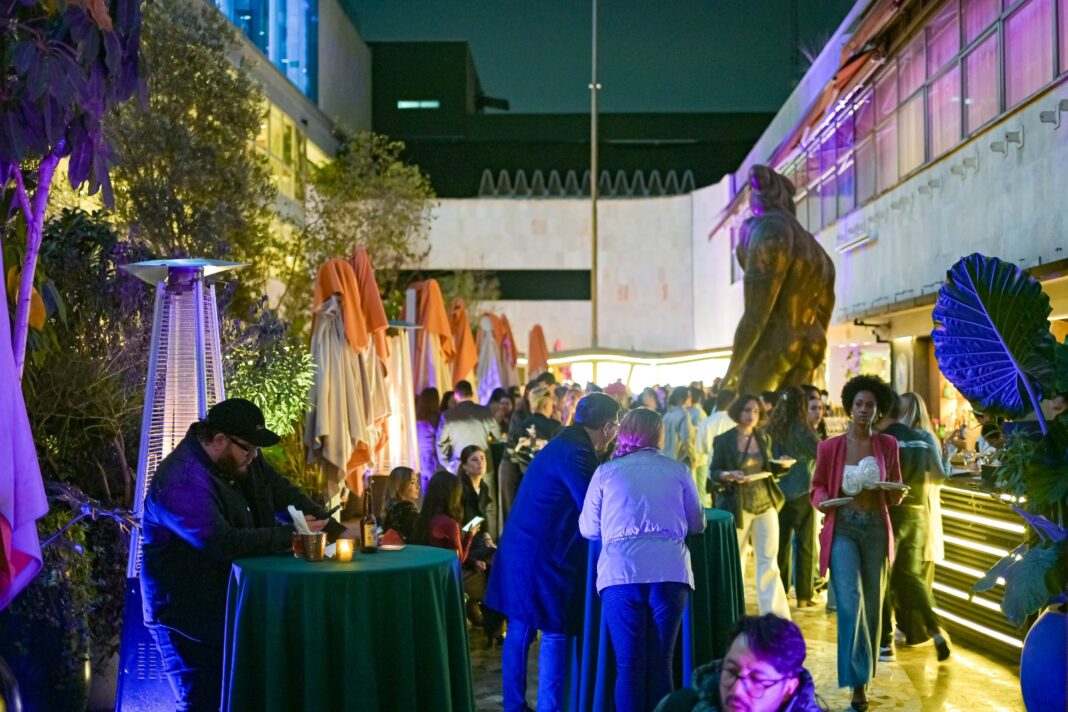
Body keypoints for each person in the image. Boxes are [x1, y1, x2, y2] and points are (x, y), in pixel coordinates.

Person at [140, 399, 347, 711]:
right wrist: (291, 538)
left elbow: (283, 494)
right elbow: (221, 542)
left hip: (228, 606)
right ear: (219, 439)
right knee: (204, 701)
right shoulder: (180, 481)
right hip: (187, 620)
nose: (253, 456)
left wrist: (337, 532)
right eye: (247, 449)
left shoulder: (241, 459)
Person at [486, 393, 622, 712]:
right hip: (542, 556)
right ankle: (548, 707)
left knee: (521, 628)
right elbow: (592, 506)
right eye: (616, 425)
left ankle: (515, 705)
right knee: (554, 630)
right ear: (606, 426)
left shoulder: (567, 442)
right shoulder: (577, 452)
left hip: (525, 548)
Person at [579, 407, 706, 712]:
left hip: (620, 573)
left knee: (628, 664)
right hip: (669, 571)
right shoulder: (678, 470)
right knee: (662, 662)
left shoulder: (606, 472)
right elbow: (698, 523)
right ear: (659, 435)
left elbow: (588, 529)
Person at [811, 375, 904, 712]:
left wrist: (892, 490)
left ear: (878, 409)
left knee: (873, 605)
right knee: (850, 603)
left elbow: (896, 491)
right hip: (844, 528)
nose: (864, 409)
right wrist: (823, 501)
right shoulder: (830, 447)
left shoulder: (888, 445)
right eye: (859, 404)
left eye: (870, 405)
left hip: (876, 527)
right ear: (850, 407)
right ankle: (856, 685)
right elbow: (817, 487)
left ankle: (863, 679)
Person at [877, 393, 951, 662]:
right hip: (918, 514)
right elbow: (938, 475)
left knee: (882, 575)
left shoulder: (885, 439)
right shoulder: (921, 439)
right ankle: (934, 626)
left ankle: (885, 643)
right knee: (911, 575)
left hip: (891, 512)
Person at [709, 394, 790, 618]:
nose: (751, 415)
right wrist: (728, 474)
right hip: (738, 503)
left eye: (755, 411)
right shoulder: (725, 439)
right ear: (738, 411)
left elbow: (768, 468)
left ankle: (774, 616)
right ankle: (732, 613)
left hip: (765, 501)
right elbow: (714, 472)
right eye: (747, 410)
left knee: (768, 560)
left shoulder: (763, 437)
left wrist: (781, 465)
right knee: (736, 560)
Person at [654, 614, 825, 712]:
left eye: (757, 679)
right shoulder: (676, 707)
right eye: (731, 671)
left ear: (788, 688)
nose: (737, 690)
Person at [414, 471, 490, 629]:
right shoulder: (449, 523)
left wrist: (473, 561)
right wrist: (470, 534)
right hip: (447, 577)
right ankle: (491, 624)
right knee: (491, 570)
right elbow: (458, 560)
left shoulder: (424, 518)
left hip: (429, 573)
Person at [768, 387, 821, 609]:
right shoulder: (802, 428)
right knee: (805, 545)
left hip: (778, 493)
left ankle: (781, 592)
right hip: (802, 492)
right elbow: (820, 452)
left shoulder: (772, 427)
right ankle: (804, 596)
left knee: (781, 545)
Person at [436, 379, 501, 474]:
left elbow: (440, 442)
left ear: (455, 396)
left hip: (460, 466)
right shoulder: (485, 411)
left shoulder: (447, 415)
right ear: (472, 394)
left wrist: (447, 464)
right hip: (483, 466)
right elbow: (498, 435)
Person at [696, 389, 737, 502]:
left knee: (718, 504)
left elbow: (700, 449)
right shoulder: (737, 422)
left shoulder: (706, 423)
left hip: (713, 472)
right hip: (736, 472)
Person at [381, 466, 420, 544]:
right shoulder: (407, 509)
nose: (418, 486)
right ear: (399, 485)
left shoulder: (390, 508)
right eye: (412, 482)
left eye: (417, 482)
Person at [416, 387, 442, 492]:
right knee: (436, 491)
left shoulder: (416, 418)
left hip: (419, 459)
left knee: (424, 492)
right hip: (432, 459)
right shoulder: (435, 418)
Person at [663, 386, 695, 468]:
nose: (691, 398)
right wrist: (693, 457)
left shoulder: (667, 415)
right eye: (689, 396)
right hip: (678, 459)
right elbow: (686, 439)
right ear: (683, 398)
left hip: (665, 458)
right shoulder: (684, 415)